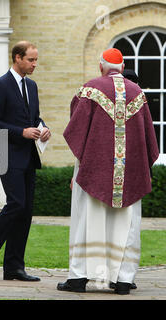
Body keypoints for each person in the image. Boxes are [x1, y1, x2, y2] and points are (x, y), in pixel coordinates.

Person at [58, 48, 159, 295]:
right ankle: (123, 280)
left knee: (86, 219)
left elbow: (76, 130)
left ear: (100, 67)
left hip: (94, 170)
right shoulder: (139, 93)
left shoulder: (90, 90)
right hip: (130, 174)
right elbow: (149, 138)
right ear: (123, 68)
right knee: (128, 224)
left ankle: (79, 277)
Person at [0, 41, 51, 281]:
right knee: (16, 204)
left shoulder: (32, 86)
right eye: (31, 60)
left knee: (25, 211)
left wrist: (43, 128)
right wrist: (21, 132)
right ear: (17, 58)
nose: (35, 64)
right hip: (8, 155)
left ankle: (14, 266)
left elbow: (34, 117)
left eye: (36, 60)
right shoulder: (0, 85)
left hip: (29, 155)